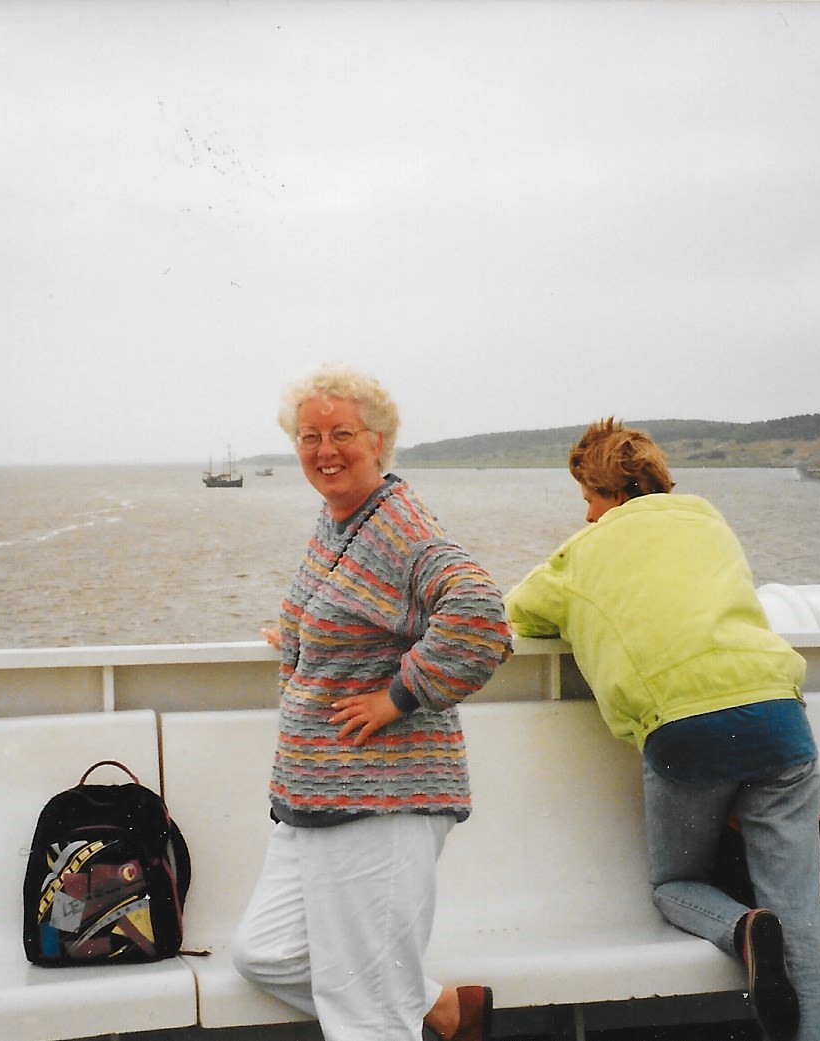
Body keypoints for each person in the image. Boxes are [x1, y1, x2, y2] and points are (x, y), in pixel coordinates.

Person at [503, 418, 820, 1041]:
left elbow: (518, 612)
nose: (589, 516)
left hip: (685, 730)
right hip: (779, 717)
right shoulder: (707, 518)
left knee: (675, 883)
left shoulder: (585, 552)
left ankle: (742, 930)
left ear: (613, 493)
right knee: (802, 913)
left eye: (589, 500)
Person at [231, 365, 513, 1041]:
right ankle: (447, 1011)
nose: (324, 449)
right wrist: (300, 639)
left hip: (380, 795)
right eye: (309, 436)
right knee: (265, 952)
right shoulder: (339, 521)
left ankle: (413, 1015)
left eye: (342, 433)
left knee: (367, 1015)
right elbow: (356, 608)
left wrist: (396, 697)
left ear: (379, 441)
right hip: (315, 796)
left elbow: (480, 615)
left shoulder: (398, 524)